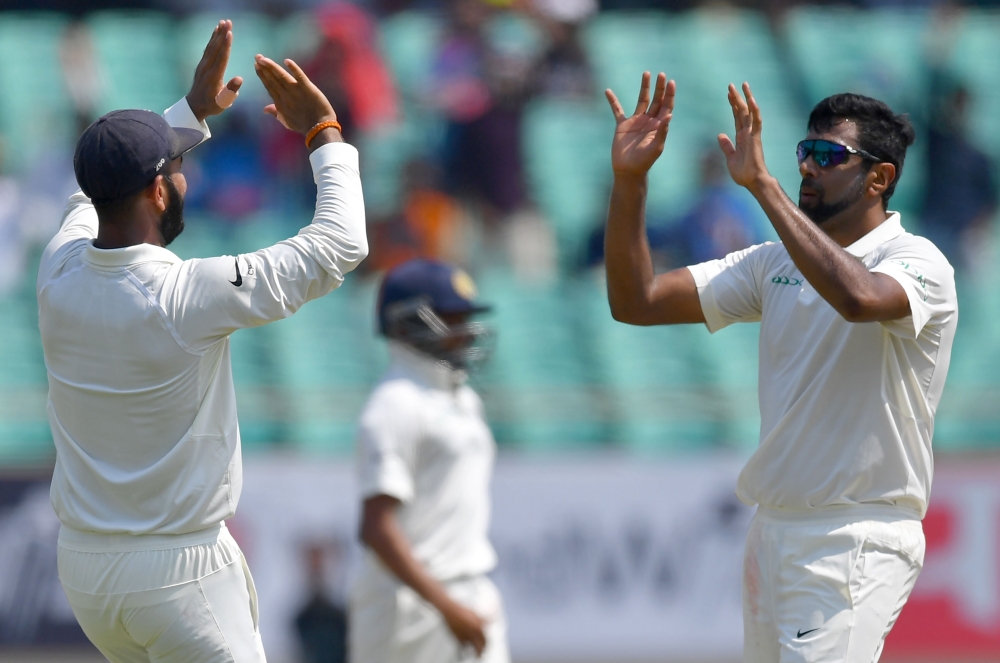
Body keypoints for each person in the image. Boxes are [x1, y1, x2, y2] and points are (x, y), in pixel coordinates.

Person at [38, 20, 367, 663]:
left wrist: (187, 116)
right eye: (178, 168)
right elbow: (340, 245)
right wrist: (324, 132)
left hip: (86, 572)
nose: (185, 179)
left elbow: (92, 186)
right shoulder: (186, 296)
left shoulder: (56, 268)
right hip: (178, 575)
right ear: (159, 190)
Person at [603, 73, 956, 663]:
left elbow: (860, 299)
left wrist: (763, 187)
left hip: (855, 537)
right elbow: (635, 301)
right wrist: (631, 181)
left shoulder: (918, 262)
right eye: (805, 152)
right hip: (773, 532)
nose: (809, 167)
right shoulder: (774, 264)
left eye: (829, 155)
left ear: (880, 178)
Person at [350, 258, 509, 663]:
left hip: (472, 592)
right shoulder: (393, 404)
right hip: (410, 609)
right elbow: (376, 528)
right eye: (451, 318)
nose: (465, 331)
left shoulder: (461, 397)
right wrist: (446, 607)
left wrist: (461, 606)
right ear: (407, 324)